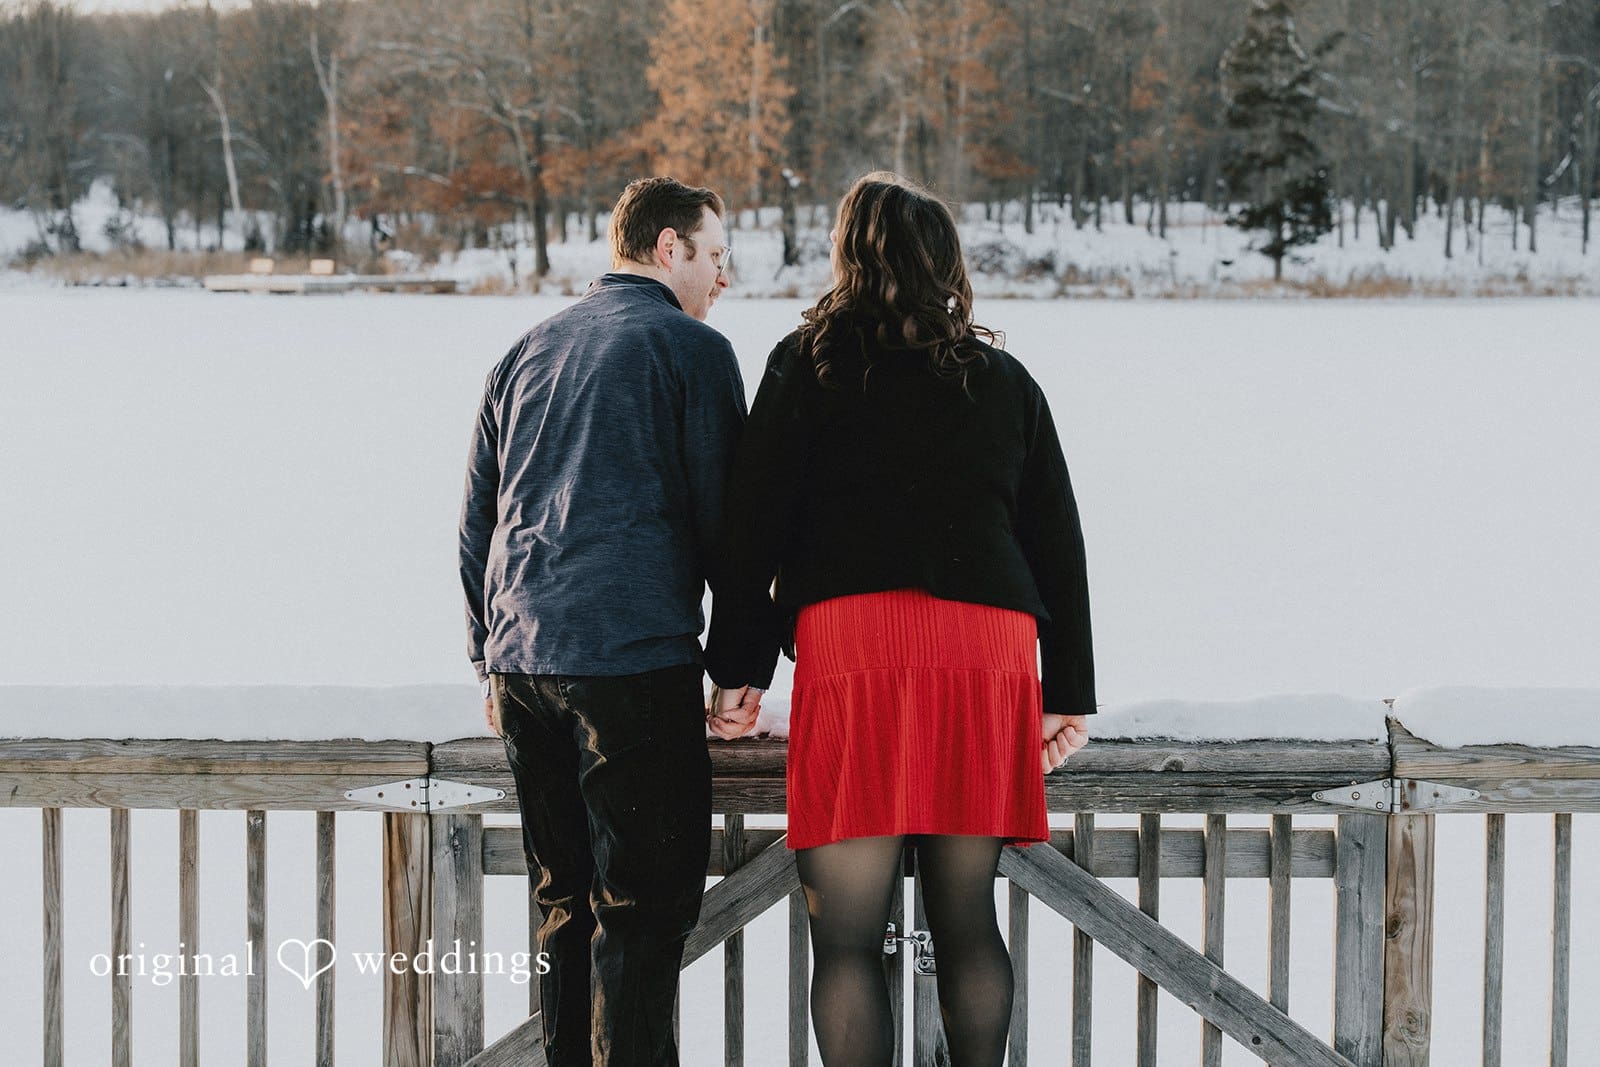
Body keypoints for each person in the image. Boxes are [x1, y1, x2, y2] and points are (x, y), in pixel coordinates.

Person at [703, 171, 1096, 1066]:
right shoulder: (1004, 381)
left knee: (845, 936)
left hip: (857, 650)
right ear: (946, 264)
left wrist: (740, 670)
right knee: (967, 918)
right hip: (987, 652)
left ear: (850, 258)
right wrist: (1067, 690)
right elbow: (1058, 542)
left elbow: (750, 533)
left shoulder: (805, 366)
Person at [458, 175, 751, 1067]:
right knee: (642, 912)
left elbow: (481, 523)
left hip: (522, 663)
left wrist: (486, 659)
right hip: (629, 661)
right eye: (714, 256)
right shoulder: (690, 350)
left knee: (564, 904)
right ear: (669, 249)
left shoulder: (526, 351)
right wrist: (738, 668)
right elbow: (729, 526)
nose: (722, 279)